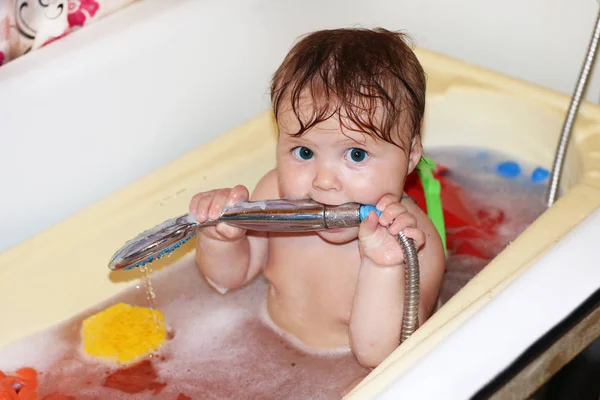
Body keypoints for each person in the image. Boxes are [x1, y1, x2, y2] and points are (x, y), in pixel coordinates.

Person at [188, 27, 446, 368]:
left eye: (356, 155)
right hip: (263, 350)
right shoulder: (273, 195)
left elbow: (380, 357)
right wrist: (221, 238)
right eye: (304, 152)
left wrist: (382, 266)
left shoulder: (415, 246)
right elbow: (226, 280)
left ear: (411, 156)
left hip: (349, 377)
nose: (323, 182)